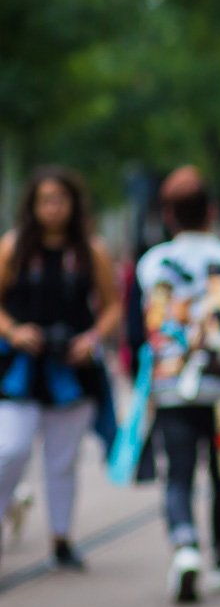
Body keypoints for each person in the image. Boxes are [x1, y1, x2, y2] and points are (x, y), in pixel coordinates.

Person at [135, 167, 220, 602]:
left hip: (172, 388)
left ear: (168, 215)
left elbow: (146, 327)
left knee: (179, 474)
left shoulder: (151, 264)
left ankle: (186, 544)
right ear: (212, 210)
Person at [0, 166, 121, 570]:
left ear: (73, 204)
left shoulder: (91, 250)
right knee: (9, 449)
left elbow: (112, 304)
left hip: (72, 370)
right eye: (45, 200)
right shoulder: (13, 247)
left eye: (60, 199)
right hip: (20, 371)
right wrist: (14, 331)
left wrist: (92, 339)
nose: (53, 208)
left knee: (62, 459)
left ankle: (61, 538)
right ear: (33, 206)